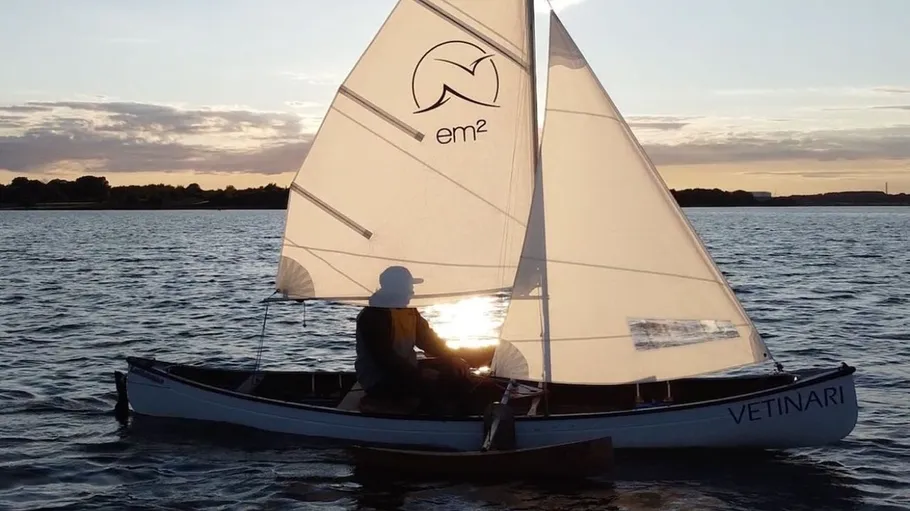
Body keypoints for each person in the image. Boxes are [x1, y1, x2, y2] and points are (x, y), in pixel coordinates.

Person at [354, 265, 475, 413]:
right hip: (379, 379)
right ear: (396, 289)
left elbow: (427, 339)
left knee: (454, 371)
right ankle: (435, 417)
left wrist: (452, 357)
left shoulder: (410, 311)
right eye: (409, 287)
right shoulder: (373, 316)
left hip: (406, 370)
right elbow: (385, 358)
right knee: (436, 388)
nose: (412, 292)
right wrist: (418, 375)